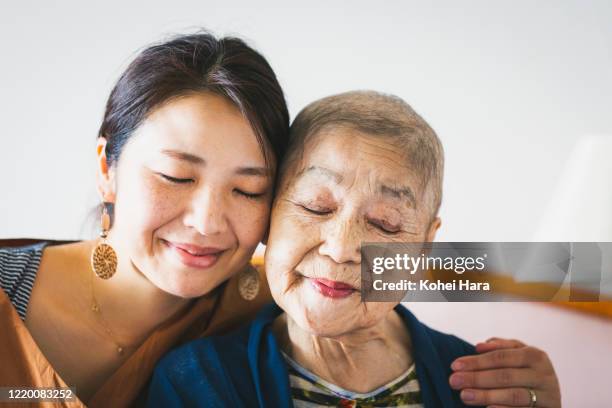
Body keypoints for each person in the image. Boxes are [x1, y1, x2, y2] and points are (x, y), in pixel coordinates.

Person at [148, 91, 561, 408]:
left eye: (385, 224)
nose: (342, 247)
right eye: (316, 206)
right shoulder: (199, 380)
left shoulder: (479, 382)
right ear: (269, 217)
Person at [0, 32, 289, 407]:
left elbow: (388, 273)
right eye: (176, 176)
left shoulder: (281, 292)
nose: (206, 223)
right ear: (107, 169)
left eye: (249, 190)